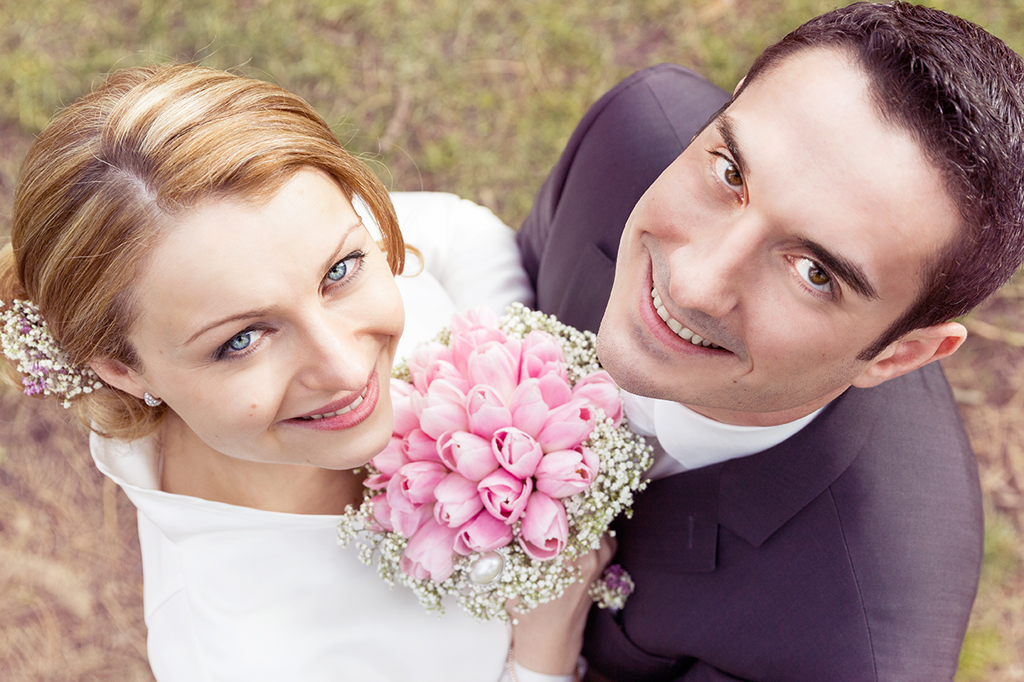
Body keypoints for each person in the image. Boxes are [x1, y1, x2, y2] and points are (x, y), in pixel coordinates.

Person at [0, 63, 603, 682]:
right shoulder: (239, 660)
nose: (346, 369)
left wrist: (510, 368)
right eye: (241, 340)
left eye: (339, 273)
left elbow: (454, 230)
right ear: (122, 370)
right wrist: (543, 654)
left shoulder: (276, 231)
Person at [517, 2, 1024, 681]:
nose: (696, 285)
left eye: (815, 274)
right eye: (731, 174)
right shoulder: (630, 134)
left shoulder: (852, 654)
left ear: (899, 355)